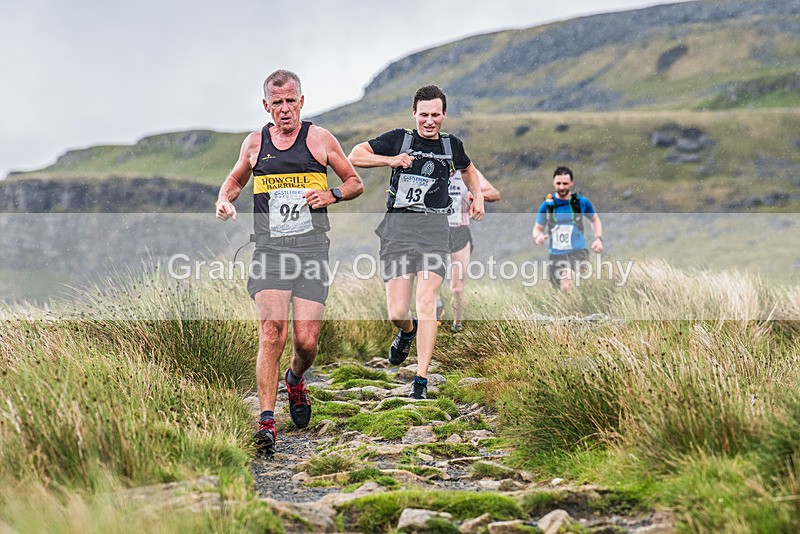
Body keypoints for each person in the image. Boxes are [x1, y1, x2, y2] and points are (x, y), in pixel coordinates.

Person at [215, 69, 363, 453]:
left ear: (301, 101)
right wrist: (224, 199)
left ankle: (295, 380)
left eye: (290, 101)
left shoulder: (319, 140)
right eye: (276, 103)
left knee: (306, 341)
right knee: (272, 331)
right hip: (270, 251)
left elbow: (354, 183)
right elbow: (234, 181)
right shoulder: (254, 144)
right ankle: (266, 421)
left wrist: (331, 195)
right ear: (267, 106)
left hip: (313, 250)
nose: (285, 109)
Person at [348, 84, 485, 400]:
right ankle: (406, 333)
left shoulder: (452, 145)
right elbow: (355, 154)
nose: (430, 121)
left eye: (435, 114)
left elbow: (468, 169)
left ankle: (420, 380)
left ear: (444, 115)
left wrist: (477, 196)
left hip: (435, 230)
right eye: (424, 114)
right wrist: (391, 160)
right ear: (414, 114)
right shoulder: (400, 139)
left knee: (426, 302)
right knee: (397, 312)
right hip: (397, 230)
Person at [436, 169, 500, 333]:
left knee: (456, 288)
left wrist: (478, 195)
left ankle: (457, 324)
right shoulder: (432, 166)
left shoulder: (466, 170)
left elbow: (495, 193)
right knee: (432, 281)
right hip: (435, 232)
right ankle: (435, 315)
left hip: (460, 232)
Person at [532, 166, 603, 292]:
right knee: (559, 292)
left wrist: (598, 239)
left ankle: (573, 310)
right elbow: (538, 228)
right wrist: (538, 237)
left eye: (565, 183)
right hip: (555, 254)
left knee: (566, 281)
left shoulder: (581, 202)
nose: (561, 187)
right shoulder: (547, 205)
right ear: (553, 183)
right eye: (558, 183)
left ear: (571, 183)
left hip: (577, 252)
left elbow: (594, 219)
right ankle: (574, 309)